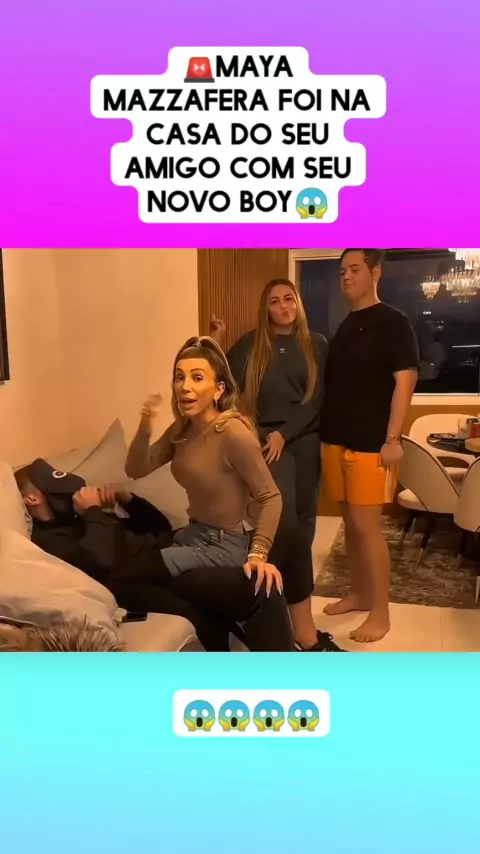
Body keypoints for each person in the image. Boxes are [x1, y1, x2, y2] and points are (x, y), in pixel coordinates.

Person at [15, 460, 294, 652]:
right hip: (154, 578)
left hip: (175, 551)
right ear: (32, 499)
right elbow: (97, 563)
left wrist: (128, 501)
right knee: (261, 586)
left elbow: (160, 528)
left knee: (288, 538)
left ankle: (297, 645)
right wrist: (93, 512)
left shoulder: (83, 517)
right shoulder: (49, 540)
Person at [211, 278, 343, 653]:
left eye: (289, 299)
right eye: (275, 301)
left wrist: (288, 432)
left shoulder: (317, 343)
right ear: (265, 308)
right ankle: (281, 608)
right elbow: (220, 375)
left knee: (305, 520)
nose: (283, 306)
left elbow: (317, 398)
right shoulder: (252, 345)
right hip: (269, 444)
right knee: (284, 524)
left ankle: (297, 606)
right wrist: (216, 339)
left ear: (297, 303)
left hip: (305, 438)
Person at [320, 249, 419, 643]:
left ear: (375, 272)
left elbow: (405, 381)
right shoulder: (346, 326)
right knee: (350, 524)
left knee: (367, 528)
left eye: (354, 269)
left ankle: (381, 613)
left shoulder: (393, 322)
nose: (346, 277)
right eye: (342, 271)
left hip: (371, 445)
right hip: (336, 439)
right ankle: (360, 594)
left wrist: (393, 438)